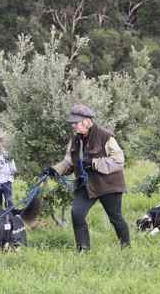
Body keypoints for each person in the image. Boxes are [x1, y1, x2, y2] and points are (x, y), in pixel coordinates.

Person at [43, 104, 130, 252]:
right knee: (77, 214)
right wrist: (55, 170)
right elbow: (68, 162)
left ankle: (126, 246)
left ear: (87, 121)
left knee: (115, 217)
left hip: (108, 184)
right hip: (86, 185)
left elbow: (119, 160)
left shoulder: (105, 136)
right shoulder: (75, 139)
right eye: (72, 123)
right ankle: (83, 249)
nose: (73, 126)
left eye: (76, 123)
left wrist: (95, 163)